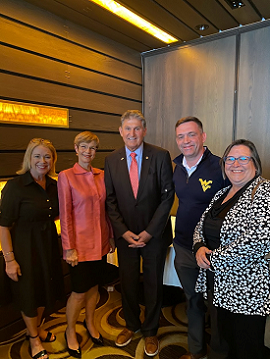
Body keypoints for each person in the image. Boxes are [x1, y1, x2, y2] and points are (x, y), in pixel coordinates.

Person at [104, 110, 174, 356]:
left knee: (154, 284)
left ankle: (151, 330)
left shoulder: (160, 156)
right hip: (125, 237)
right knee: (129, 283)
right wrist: (122, 232)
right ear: (120, 131)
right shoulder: (111, 160)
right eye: (127, 129)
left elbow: (167, 198)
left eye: (137, 128)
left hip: (154, 235)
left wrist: (149, 233)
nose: (132, 133)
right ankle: (132, 325)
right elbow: (110, 201)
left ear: (144, 131)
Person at [194, 139, 270, 359]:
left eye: (243, 158)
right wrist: (199, 247)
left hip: (246, 290)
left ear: (255, 163)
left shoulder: (264, 191)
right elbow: (201, 224)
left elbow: (258, 241)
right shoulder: (222, 193)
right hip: (220, 286)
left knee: (247, 347)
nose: (236, 163)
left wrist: (211, 259)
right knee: (228, 339)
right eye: (230, 159)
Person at [0, 138, 63, 359]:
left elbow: (54, 213)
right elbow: (4, 226)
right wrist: (9, 260)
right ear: (29, 158)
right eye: (37, 156)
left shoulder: (55, 184)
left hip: (47, 244)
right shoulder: (15, 186)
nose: (42, 161)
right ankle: (33, 338)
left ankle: (35, 328)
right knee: (28, 294)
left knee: (44, 290)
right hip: (24, 249)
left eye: (47, 156)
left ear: (52, 160)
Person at [173, 116, 229, 359]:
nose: (186, 141)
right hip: (184, 247)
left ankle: (219, 354)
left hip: (213, 251)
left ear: (203, 137)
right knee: (192, 301)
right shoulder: (177, 166)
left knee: (217, 307)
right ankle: (197, 353)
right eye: (181, 136)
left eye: (191, 134)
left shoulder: (220, 167)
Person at [58, 131, 115, 359]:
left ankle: (91, 323)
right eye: (84, 146)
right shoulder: (66, 175)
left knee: (94, 288)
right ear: (76, 148)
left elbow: (107, 210)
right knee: (79, 292)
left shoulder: (101, 175)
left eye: (92, 148)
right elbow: (65, 215)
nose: (88, 151)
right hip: (79, 247)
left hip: (100, 243)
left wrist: (110, 236)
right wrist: (68, 247)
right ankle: (70, 330)